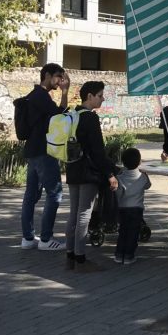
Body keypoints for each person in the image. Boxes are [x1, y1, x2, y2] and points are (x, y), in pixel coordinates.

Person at [64, 81, 119, 272]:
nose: (103, 98)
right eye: (100, 95)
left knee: (74, 214)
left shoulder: (72, 115)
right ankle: (80, 260)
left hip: (72, 169)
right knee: (83, 215)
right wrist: (110, 174)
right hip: (88, 172)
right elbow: (98, 151)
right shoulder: (90, 119)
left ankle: (70, 257)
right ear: (90, 96)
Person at [20, 63, 70, 251]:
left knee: (30, 195)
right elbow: (60, 117)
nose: (60, 81)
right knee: (54, 193)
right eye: (58, 77)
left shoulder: (34, 95)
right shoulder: (41, 96)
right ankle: (46, 239)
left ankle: (27, 238)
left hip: (33, 151)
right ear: (47, 75)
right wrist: (65, 93)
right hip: (43, 151)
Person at [114, 147, 151, 265]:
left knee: (123, 231)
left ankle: (119, 254)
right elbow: (148, 185)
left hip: (123, 208)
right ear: (139, 162)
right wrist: (146, 175)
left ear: (123, 163)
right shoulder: (143, 177)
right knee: (133, 233)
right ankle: (129, 256)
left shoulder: (120, 178)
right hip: (137, 209)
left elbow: (118, 193)